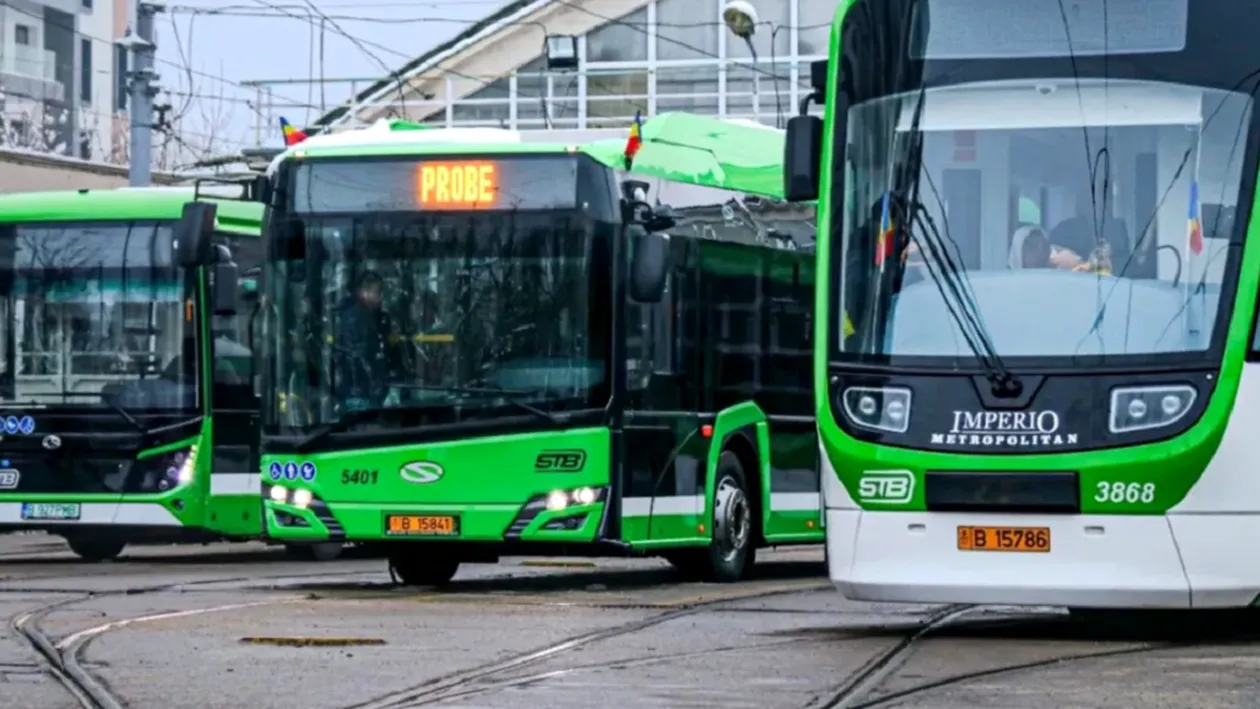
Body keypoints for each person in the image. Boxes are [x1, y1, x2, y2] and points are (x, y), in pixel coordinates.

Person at [333, 271, 402, 409]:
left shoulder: (382, 318)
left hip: (378, 389)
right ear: (364, 292)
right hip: (358, 392)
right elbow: (356, 356)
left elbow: (389, 350)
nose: (381, 297)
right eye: (378, 292)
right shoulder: (353, 319)